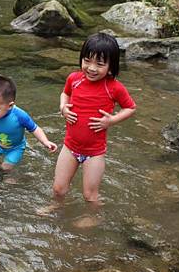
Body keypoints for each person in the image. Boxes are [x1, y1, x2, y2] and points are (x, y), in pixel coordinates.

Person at [51, 33, 136, 209]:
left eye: (99, 64)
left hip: (94, 153)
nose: (91, 68)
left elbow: (130, 108)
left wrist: (111, 120)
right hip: (70, 147)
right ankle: (56, 207)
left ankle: (92, 216)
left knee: (90, 195)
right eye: (87, 61)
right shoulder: (74, 79)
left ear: (111, 66)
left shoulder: (113, 87)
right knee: (59, 188)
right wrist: (63, 107)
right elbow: (65, 93)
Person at [0, 75, 58, 171]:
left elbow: (35, 128)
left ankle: (12, 180)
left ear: (10, 106)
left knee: (5, 168)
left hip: (15, 148)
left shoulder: (19, 116)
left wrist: (45, 141)